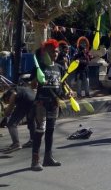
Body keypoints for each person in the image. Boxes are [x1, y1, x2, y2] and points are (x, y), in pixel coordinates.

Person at [30, 39, 70, 171]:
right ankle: (35, 160)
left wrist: (68, 93)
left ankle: (48, 158)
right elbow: (33, 83)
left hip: (54, 103)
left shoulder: (60, 68)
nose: (55, 53)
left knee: (50, 131)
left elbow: (62, 85)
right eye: (52, 51)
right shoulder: (40, 66)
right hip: (41, 103)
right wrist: (35, 81)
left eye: (57, 51)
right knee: (40, 130)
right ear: (45, 52)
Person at [0, 86, 36, 153]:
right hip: (33, 98)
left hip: (25, 100)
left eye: (6, 102)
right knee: (31, 121)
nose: (7, 104)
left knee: (11, 124)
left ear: (6, 98)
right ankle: (33, 140)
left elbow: (11, 106)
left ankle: (16, 143)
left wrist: (6, 113)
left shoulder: (10, 93)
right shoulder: (18, 88)